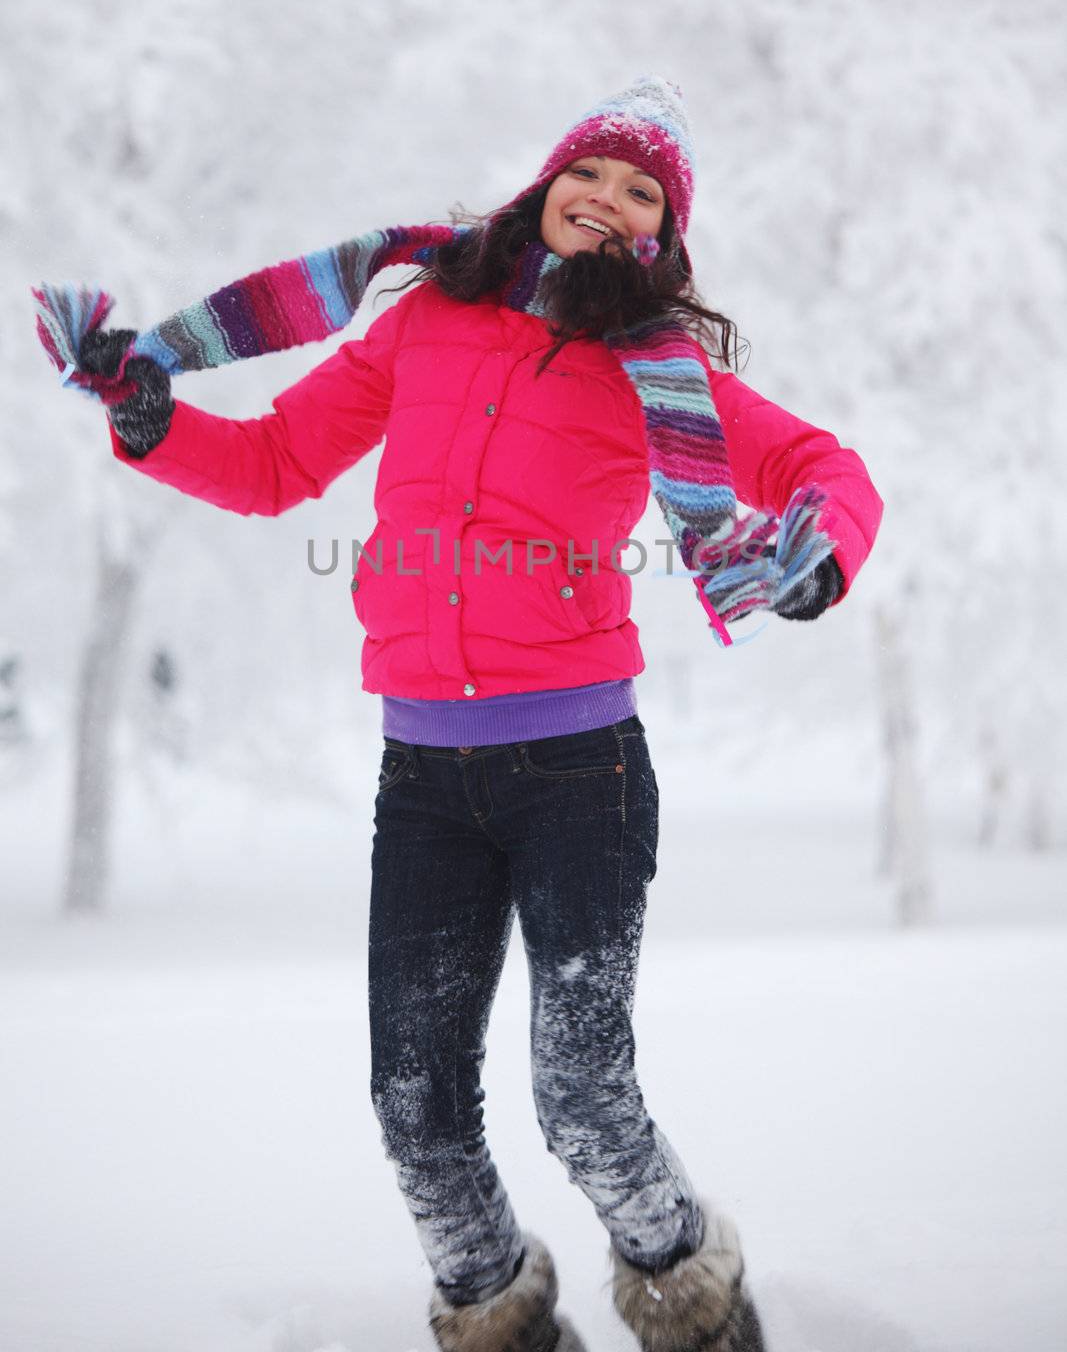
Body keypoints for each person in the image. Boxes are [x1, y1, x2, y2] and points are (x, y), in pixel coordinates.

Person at [56, 78, 883, 1352]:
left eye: (640, 192)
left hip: (578, 775)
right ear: (546, 183)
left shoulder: (651, 366)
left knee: (584, 1098)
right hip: (425, 779)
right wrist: (156, 426)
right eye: (591, 175)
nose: (606, 200)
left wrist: (815, 555)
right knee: (414, 1104)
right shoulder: (428, 319)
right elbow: (278, 462)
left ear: (661, 235)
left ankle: (697, 1307)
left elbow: (823, 468)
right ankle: (502, 1318)